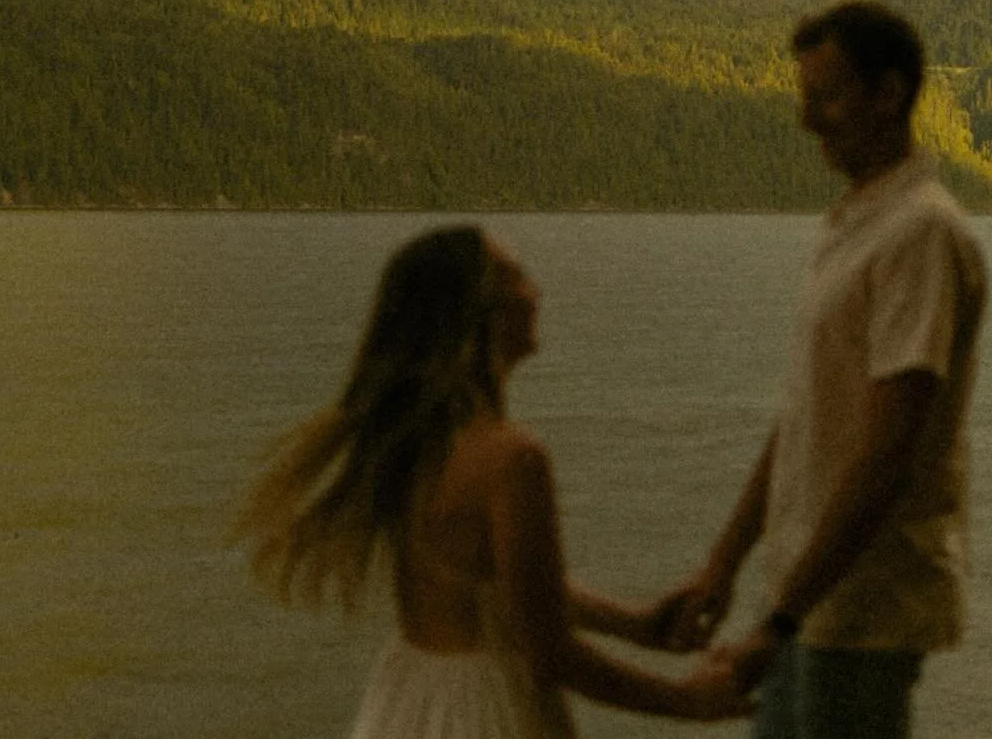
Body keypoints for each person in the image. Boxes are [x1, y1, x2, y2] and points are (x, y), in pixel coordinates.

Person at [236, 224, 750, 737]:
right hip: (487, 709)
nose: (535, 292)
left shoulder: (412, 440)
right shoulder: (512, 459)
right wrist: (688, 701)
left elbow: (506, 587)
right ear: (479, 314)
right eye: (516, 277)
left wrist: (634, 624)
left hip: (411, 695)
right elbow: (550, 653)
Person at [657, 2, 988, 739]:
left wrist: (777, 622)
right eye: (805, 97)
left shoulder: (920, 233)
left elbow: (889, 451)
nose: (808, 120)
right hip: (807, 601)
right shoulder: (854, 224)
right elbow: (805, 419)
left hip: (862, 608)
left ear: (888, 93)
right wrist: (723, 566)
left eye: (828, 96)